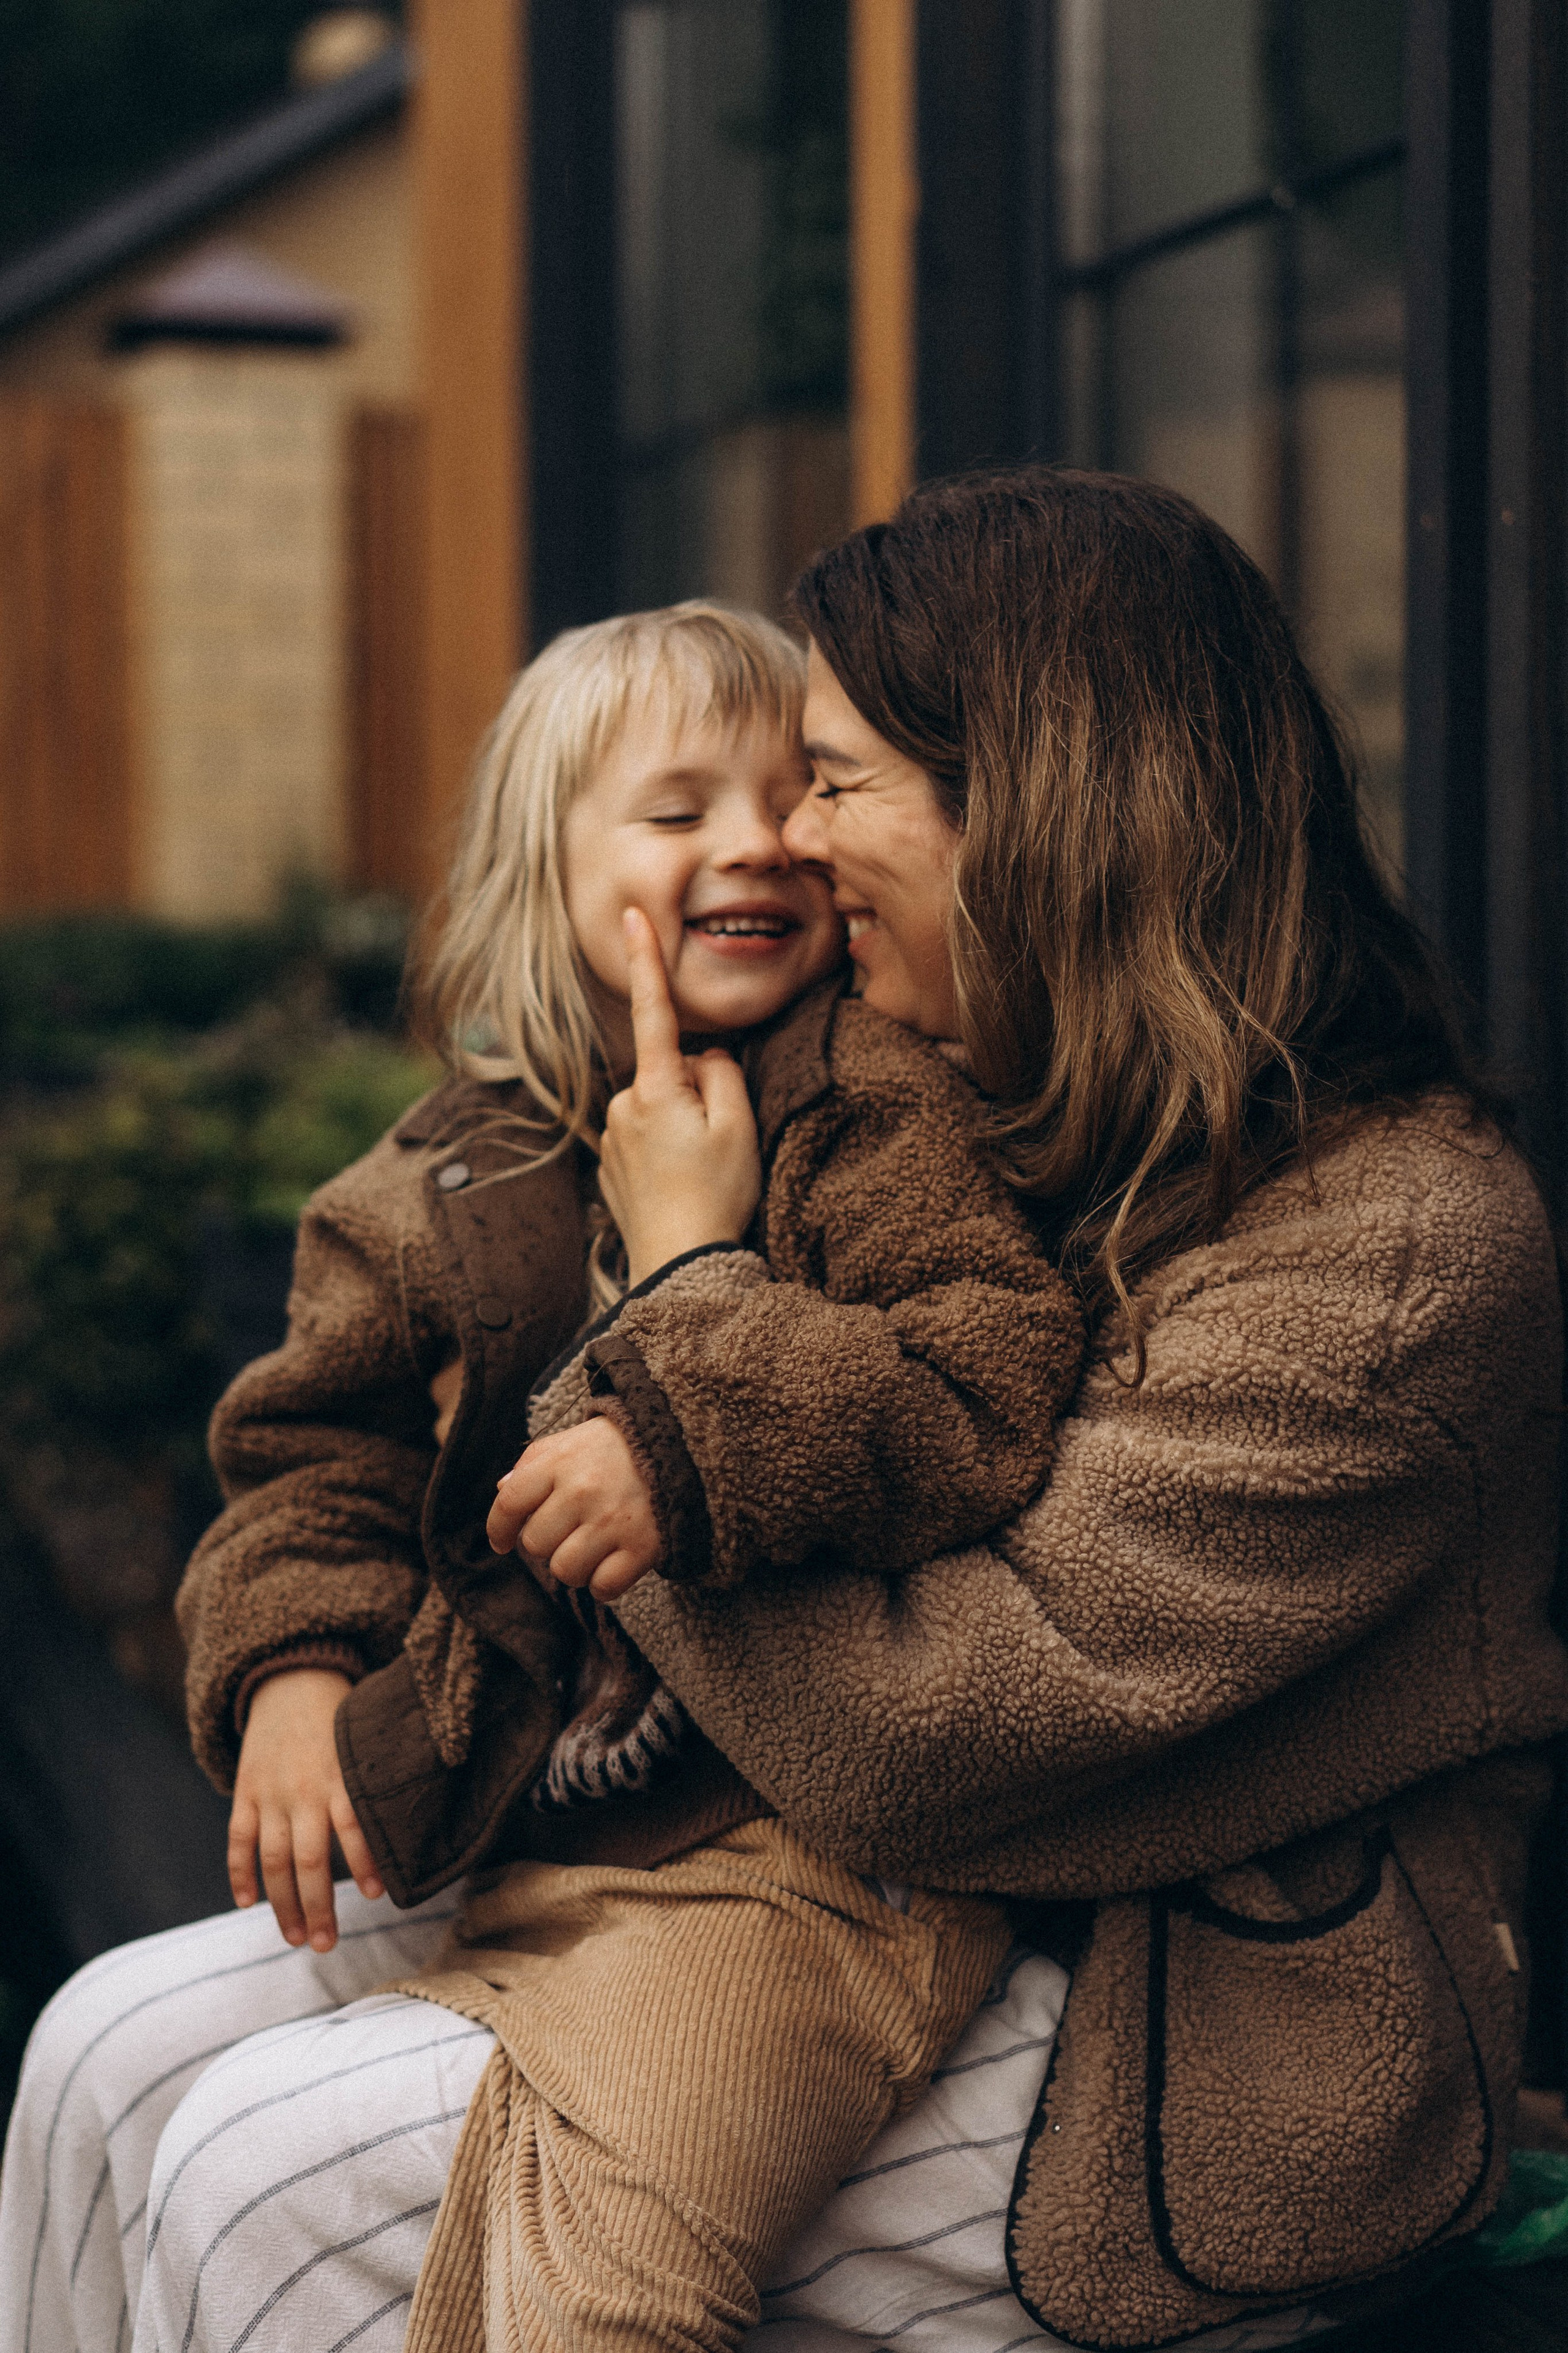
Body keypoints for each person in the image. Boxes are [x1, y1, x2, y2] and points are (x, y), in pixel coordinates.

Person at [0, 596, 1083, 2353]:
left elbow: (984, 1383)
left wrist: (692, 1421)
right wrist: (291, 1671)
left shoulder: (871, 1113)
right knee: (95, 2051)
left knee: (363, 2206)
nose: (759, 841)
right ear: (548, 864)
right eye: (680, 809)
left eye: (793, 795)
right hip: (499, 1800)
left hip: (789, 1857)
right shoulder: (459, 1160)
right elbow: (309, 1453)